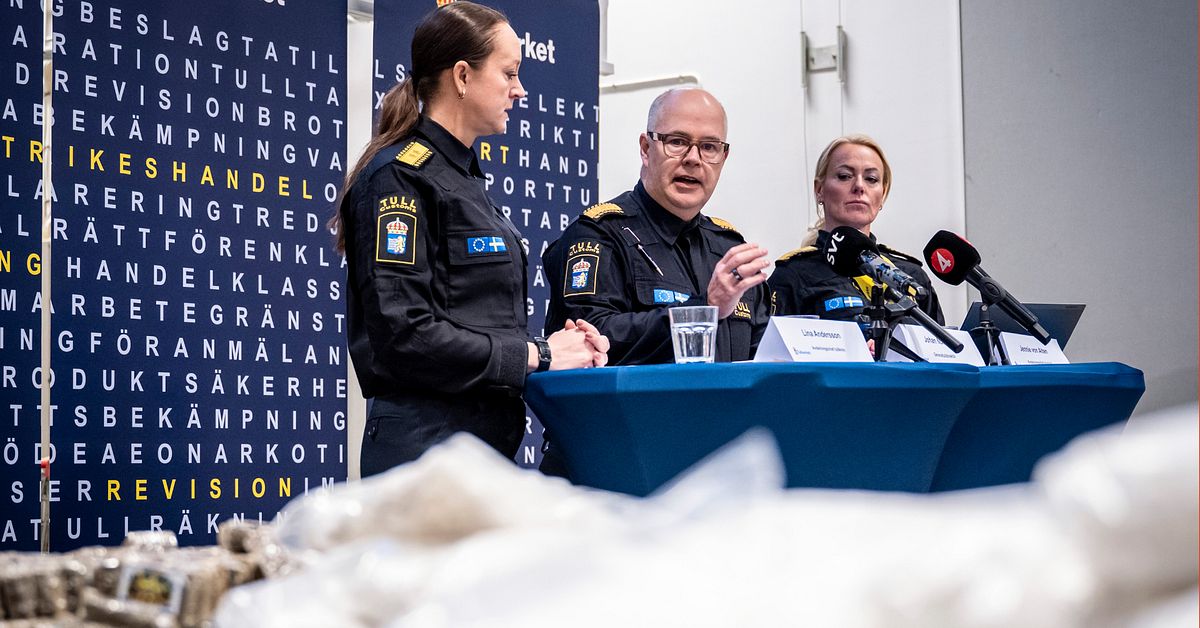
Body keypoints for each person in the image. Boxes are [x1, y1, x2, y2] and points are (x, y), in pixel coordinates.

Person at [330, 1, 608, 477]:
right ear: (462, 76)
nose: (520, 89)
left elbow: (473, 323)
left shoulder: (464, 179)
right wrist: (539, 355)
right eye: (509, 73)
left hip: (477, 453)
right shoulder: (401, 178)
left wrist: (560, 348)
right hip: (427, 454)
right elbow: (406, 335)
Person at [543, 88, 771, 365]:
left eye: (709, 147)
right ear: (646, 148)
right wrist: (704, 309)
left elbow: (766, 362)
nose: (693, 158)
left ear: (723, 158)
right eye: (677, 142)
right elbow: (588, 342)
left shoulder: (730, 250)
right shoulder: (600, 235)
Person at [768, 135, 943, 324]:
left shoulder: (910, 277)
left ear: (883, 194)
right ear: (819, 190)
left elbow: (939, 342)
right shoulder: (793, 275)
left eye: (871, 179)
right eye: (844, 176)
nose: (859, 186)